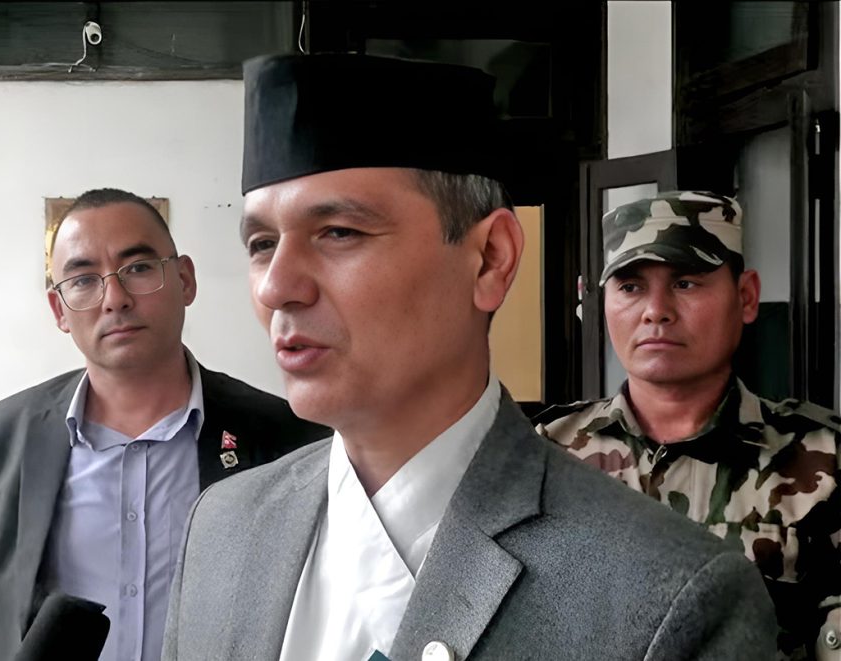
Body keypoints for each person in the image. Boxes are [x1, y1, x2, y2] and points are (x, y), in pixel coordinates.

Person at [161, 54, 776, 661]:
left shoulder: (665, 597)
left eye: (339, 232)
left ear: (489, 260)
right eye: (262, 243)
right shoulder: (222, 530)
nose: (276, 287)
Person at [0, 188, 329, 661]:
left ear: (185, 280)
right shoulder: (9, 432)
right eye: (83, 280)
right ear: (59, 310)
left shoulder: (286, 434)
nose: (115, 299)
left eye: (138, 269)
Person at [534, 191, 840, 660]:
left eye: (685, 283)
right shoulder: (545, 455)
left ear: (746, 297)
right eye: (630, 287)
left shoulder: (823, 457)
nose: (655, 310)